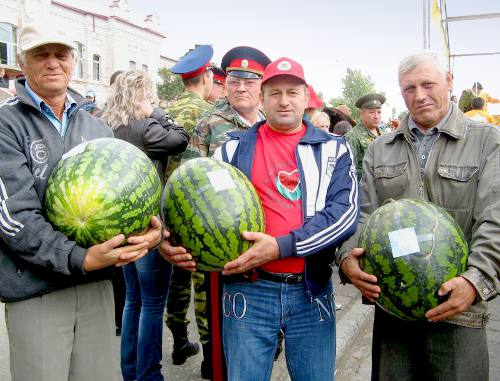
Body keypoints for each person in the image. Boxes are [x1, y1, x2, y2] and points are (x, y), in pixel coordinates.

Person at [0, 22, 162, 381]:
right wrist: (80, 258)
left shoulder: (97, 128)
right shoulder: (5, 124)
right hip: (37, 290)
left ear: (73, 60)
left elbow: (134, 190)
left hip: (96, 289)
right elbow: (13, 217)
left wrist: (153, 233)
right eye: (41, 54)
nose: (53, 62)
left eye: (61, 54)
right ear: (23, 63)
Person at [337, 51, 499, 381]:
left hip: (458, 310)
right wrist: (346, 260)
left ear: (449, 80)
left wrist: (476, 280)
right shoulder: (380, 147)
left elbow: (494, 218)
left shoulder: (486, 142)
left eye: (428, 84)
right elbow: (362, 214)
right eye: (409, 88)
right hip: (393, 308)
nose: (419, 95)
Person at [210, 57, 358, 381]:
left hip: (311, 292)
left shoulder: (334, 149)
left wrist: (282, 246)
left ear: (307, 97)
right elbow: (200, 206)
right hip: (249, 292)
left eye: (293, 92)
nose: (284, 100)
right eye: (274, 93)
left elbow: (344, 213)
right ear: (262, 99)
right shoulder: (230, 150)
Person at [163, 45, 271, 381]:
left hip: (262, 244)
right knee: (213, 316)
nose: (242, 87)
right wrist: (169, 239)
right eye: (235, 80)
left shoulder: (272, 124)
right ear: (225, 82)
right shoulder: (209, 124)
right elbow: (181, 185)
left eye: (250, 81)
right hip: (213, 245)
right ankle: (213, 360)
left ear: (261, 85)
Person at [103, 70, 188, 381]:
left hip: (122, 228)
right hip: (149, 227)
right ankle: (149, 375)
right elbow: (180, 139)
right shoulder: (147, 126)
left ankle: (130, 372)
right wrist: (159, 112)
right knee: (152, 305)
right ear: (142, 96)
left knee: (132, 302)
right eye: (149, 94)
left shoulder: (111, 126)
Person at [163, 45, 214, 379]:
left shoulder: (166, 110)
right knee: (200, 278)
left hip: (168, 202)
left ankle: (179, 340)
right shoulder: (206, 113)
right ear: (207, 76)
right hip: (197, 205)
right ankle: (210, 356)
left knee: (176, 277)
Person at [344, 93, 385, 180]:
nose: (376, 116)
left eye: (379, 112)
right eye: (371, 112)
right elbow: (349, 170)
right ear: (361, 113)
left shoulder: (384, 134)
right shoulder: (352, 137)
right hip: (365, 189)